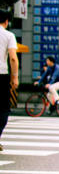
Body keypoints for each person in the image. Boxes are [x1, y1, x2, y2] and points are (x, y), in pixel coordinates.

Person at [0, 10, 19, 150]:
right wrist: (15, 77)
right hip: (1, 75)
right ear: (6, 21)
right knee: (3, 109)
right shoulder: (8, 35)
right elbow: (13, 58)